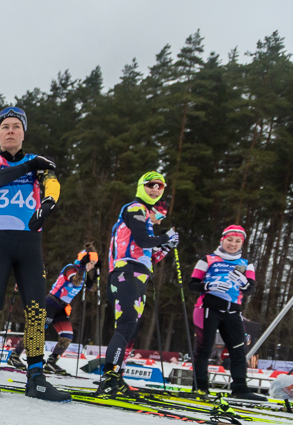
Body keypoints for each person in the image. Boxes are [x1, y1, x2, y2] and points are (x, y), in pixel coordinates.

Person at [0, 107, 70, 401]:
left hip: (29, 244)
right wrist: (31, 167)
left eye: (16, 126)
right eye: (5, 127)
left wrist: (50, 202)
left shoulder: (36, 163)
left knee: (37, 312)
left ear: (23, 132)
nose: (10, 131)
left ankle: (36, 378)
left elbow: (51, 181)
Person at [96, 172, 179, 396]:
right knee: (125, 327)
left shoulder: (144, 218)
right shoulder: (135, 208)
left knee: (131, 328)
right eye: (151, 185)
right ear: (142, 187)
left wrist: (166, 246)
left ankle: (116, 375)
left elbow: (147, 254)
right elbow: (143, 241)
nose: (155, 190)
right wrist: (166, 237)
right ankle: (110, 376)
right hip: (127, 273)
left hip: (137, 274)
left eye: (160, 187)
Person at [189, 225, 264, 401]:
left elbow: (250, 289)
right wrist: (208, 285)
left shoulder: (246, 264)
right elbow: (192, 284)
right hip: (208, 308)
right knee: (204, 349)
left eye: (237, 241)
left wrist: (243, 283)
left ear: (242, 243)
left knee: (238, 350)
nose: (233, 244)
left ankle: (240, 388)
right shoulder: (208, 259)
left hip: (232, 310)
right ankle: (200, 387)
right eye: (230, 240)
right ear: (222, 240)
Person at [8, 243, 98, 375]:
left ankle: (51, 362)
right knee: (37, 331)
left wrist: (96, 275)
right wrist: (83, 266)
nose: (92, 266)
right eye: (91, 263)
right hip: (51, 303)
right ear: (83, 260)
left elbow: (93, 288)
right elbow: (76, 282)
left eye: (94, 264)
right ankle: (14, 356)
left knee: (67, 336)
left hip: (61, 308)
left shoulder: (83, 273)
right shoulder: (71, 268)